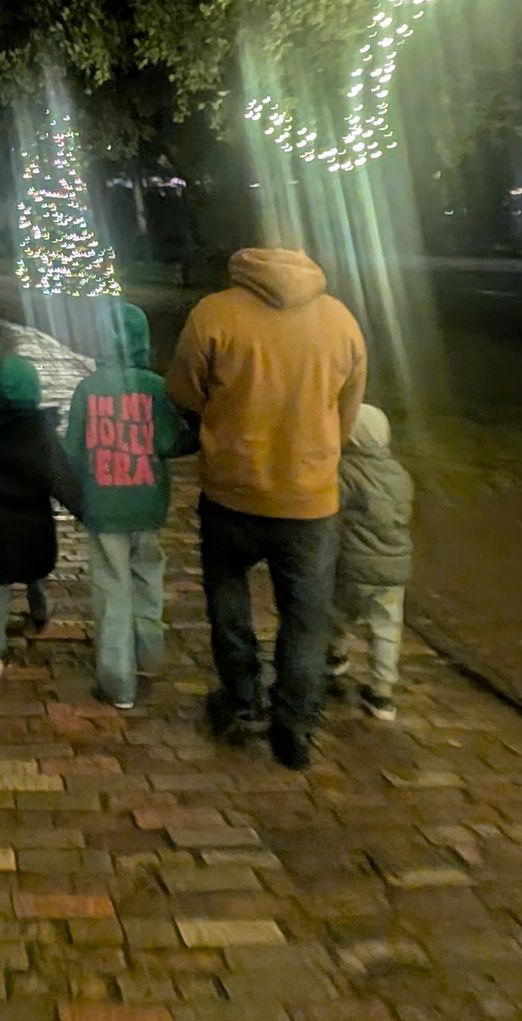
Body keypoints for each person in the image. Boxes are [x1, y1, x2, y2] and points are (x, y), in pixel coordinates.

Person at [165, 240, 367, 771]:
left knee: (229, 600)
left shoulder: (214, 315)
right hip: (309, 499)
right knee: (306, 616)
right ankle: (296, 724)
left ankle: (243, 700)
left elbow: (185, 391)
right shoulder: (340, 322)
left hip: (231, 489)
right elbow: (348, 414)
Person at [64, 300, 188, 711]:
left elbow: (75, 452)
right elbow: (169, 442)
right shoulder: (154, 387)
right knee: (147, 582)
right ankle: (148, 658)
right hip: (148, 505)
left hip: (104, 507)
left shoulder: (88, 389)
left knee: (111, 589)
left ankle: (117, 680)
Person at [0, 352, 84, 687]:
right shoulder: (41, 433)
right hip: (34, 519)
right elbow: (61, 478)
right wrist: (84, 509)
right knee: (36, 575)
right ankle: (40, 614)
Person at [328, 404, 413, 723]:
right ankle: (382, 691)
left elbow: (330, 511)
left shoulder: (343, 471)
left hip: (352, 565)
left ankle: (334, 657)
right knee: (387, 628)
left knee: (336, 612)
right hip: (394, 569)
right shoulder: (399, 473)